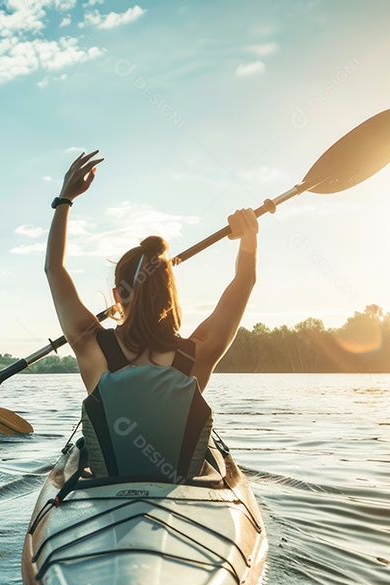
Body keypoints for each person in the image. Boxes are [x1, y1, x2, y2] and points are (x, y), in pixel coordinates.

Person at [44, 150, 259, 482]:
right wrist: (249, 238)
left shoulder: (90, 345)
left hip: (106, 496)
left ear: (117, 296)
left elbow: (54, 269)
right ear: (170, 293)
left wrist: (65, 200)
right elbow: (245, 281)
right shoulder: (198, 351)